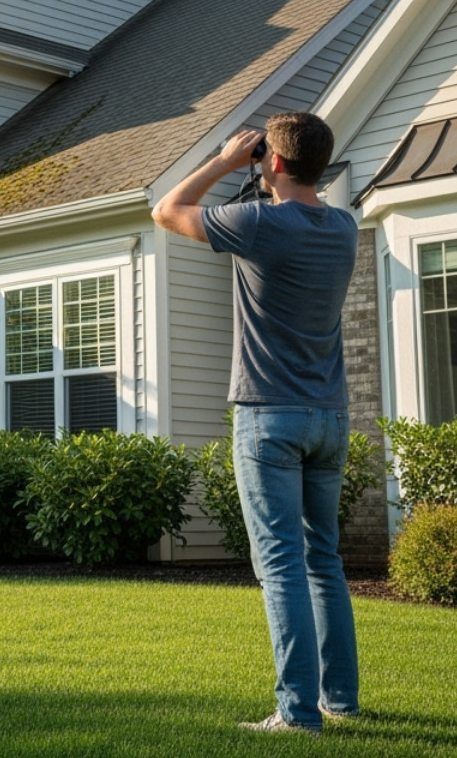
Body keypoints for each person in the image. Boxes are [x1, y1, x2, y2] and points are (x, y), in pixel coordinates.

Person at [151, 111, 358, 735]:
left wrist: (223, 160)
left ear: (271, 159)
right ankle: (339, 701)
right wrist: (260, 169)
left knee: (281, 566)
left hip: (269, 417)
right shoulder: (343, 227)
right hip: (329, 415)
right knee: (324, 559)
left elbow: (166, 210)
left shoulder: (261, 224)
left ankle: (296, 714)